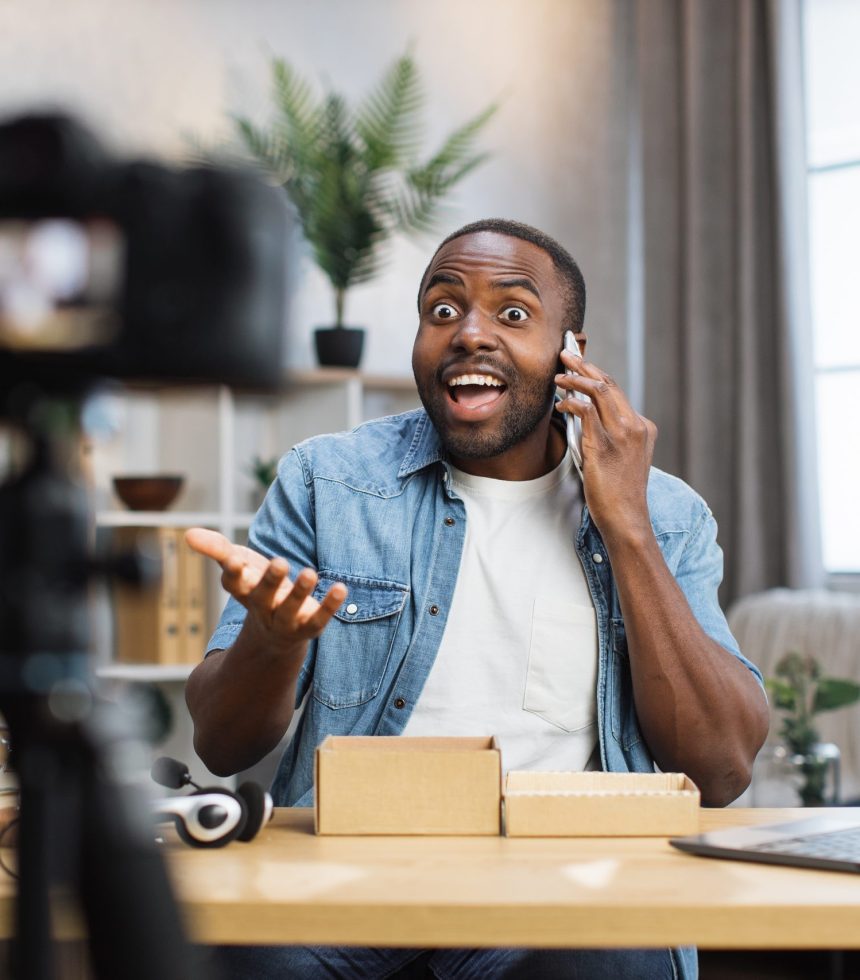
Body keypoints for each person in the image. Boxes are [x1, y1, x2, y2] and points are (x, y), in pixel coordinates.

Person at [185, 218, 769, 980]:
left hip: (564, 886)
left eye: (514, 313)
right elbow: (222, 747)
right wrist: (270, 640)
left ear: (573, 355)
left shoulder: (666, 513)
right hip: (348, 873)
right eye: (443, 309)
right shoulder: (326, 482)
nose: (469, 334)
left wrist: (627, 527)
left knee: (620, 965)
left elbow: (722, 770)